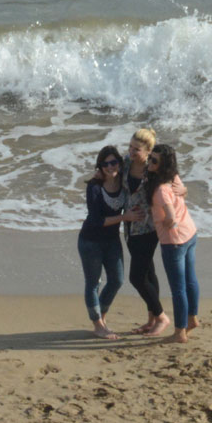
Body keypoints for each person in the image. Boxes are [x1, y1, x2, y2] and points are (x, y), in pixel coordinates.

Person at [122, 128, 184, 337]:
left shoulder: (154, 167)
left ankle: (161, 317)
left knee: (137, 277)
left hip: (149, 228)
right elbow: (108, 172)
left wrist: (183, 189)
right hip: (129, 227)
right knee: (148, 272)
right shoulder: (126, 163)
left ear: (149, 151)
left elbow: (175, 181)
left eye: (136, 149)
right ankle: (151, 320)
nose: (131, 152)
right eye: (130, 147)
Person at [78, 144, 143, 339]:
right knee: (93, 283)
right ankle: (98, 325)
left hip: (112, 241)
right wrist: (125, 217)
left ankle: (101, 317)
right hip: (90, 241)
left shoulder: (123, 182)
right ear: (100, 167)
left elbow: (138, 163)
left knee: (117, 280)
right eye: (105, 164)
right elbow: (96, 221)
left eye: (113, 162)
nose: (110, 167)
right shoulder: (94, 187)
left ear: (119, 164)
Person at [145, 144, 201, 343]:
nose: (149, 162)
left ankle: (179, 332)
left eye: (154, 160)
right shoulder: (174, 177)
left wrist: (163, 223)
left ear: (163, 165)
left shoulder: (161, 189)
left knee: (178, 288)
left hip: (174, 241)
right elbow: (182, 193)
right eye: (150, 157)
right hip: (190, 233)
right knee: (190, 280)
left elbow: (170, 216)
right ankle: (192, 319)